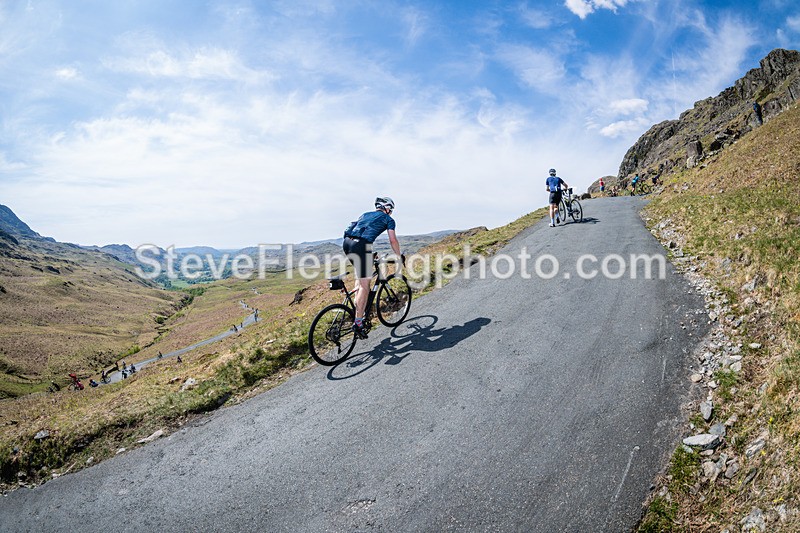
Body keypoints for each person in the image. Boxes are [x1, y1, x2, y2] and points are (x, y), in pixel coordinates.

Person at [343, 197, 403, 338]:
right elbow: (393, 240)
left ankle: (358, 306)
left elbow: (355, 230)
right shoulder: (388, 220)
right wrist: (399, 256)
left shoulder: (365, 214)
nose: (391, 212)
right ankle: (358, 322)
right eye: (391, 210)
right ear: (387, 208)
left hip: (347, 243)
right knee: (366, 285)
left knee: (360, 278)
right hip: (361, 246)